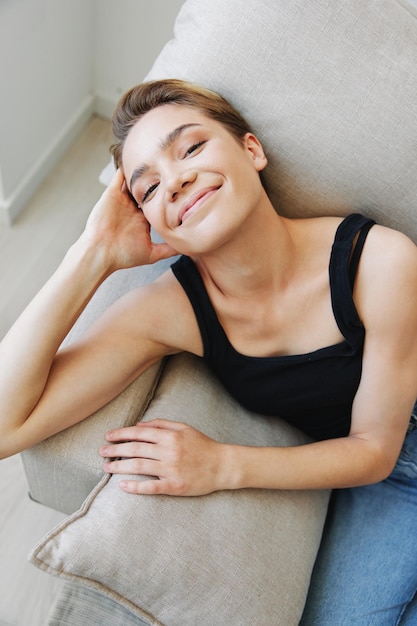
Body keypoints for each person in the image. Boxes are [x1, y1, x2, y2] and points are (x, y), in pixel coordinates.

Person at [1, 79, 416, 623]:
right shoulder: (169, 312)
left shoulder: (380, 261)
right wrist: (92, 255)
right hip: (383, 482)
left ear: (252, 150)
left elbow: (375, 448)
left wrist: (222, 464)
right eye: (147, 189)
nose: (175, 181)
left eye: (191, 148)